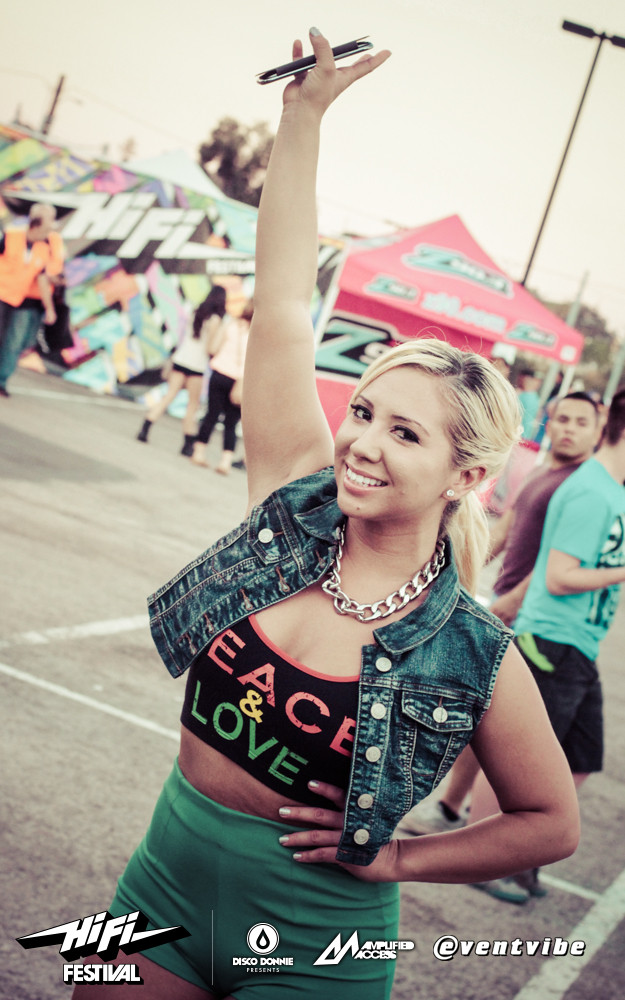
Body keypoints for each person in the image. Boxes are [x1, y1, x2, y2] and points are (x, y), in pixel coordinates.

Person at [72, 30, 578, 999]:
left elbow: (549, 822)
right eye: (367, 412)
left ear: (466, 475)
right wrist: (301, 119)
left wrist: (402, 861)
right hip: (161, 884)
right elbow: (283, 303)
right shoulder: (292, 505)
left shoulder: (469, 649)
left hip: (315, 941)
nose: (362, 443)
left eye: (406, 434)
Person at [470, 388, 625, 905]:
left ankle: (521, 851)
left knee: (580, 758)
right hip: (550, 640)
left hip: (578, 644)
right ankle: (483, 858)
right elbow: (557, 577)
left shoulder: (609, 489)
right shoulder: (591, 492)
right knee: (514, 759)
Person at [136, 286, 227, 455]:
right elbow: (209, 348)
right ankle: (187, 444)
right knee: (192, 405)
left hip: (181, 359)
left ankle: (146, 427)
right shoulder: (215, 320)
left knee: (169, 396)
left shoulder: (196, 311)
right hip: (196, 365)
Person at [0, 203, 61, 396]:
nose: (50, 230)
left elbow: (42, 279)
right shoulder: (10, 236)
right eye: (48, 225)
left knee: (12, 342)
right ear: (37, 223)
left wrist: (49, 308)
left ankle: (1, 381)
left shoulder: (43, 248)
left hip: (13, 301)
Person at [190, 300, 252, 474]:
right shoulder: (259, 334)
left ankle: (198, 453)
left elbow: (213, 348)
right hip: (239, 380)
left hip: (219, 372)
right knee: (231, 422)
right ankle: (225, 462)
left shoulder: (231, 324)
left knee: (211, 414)